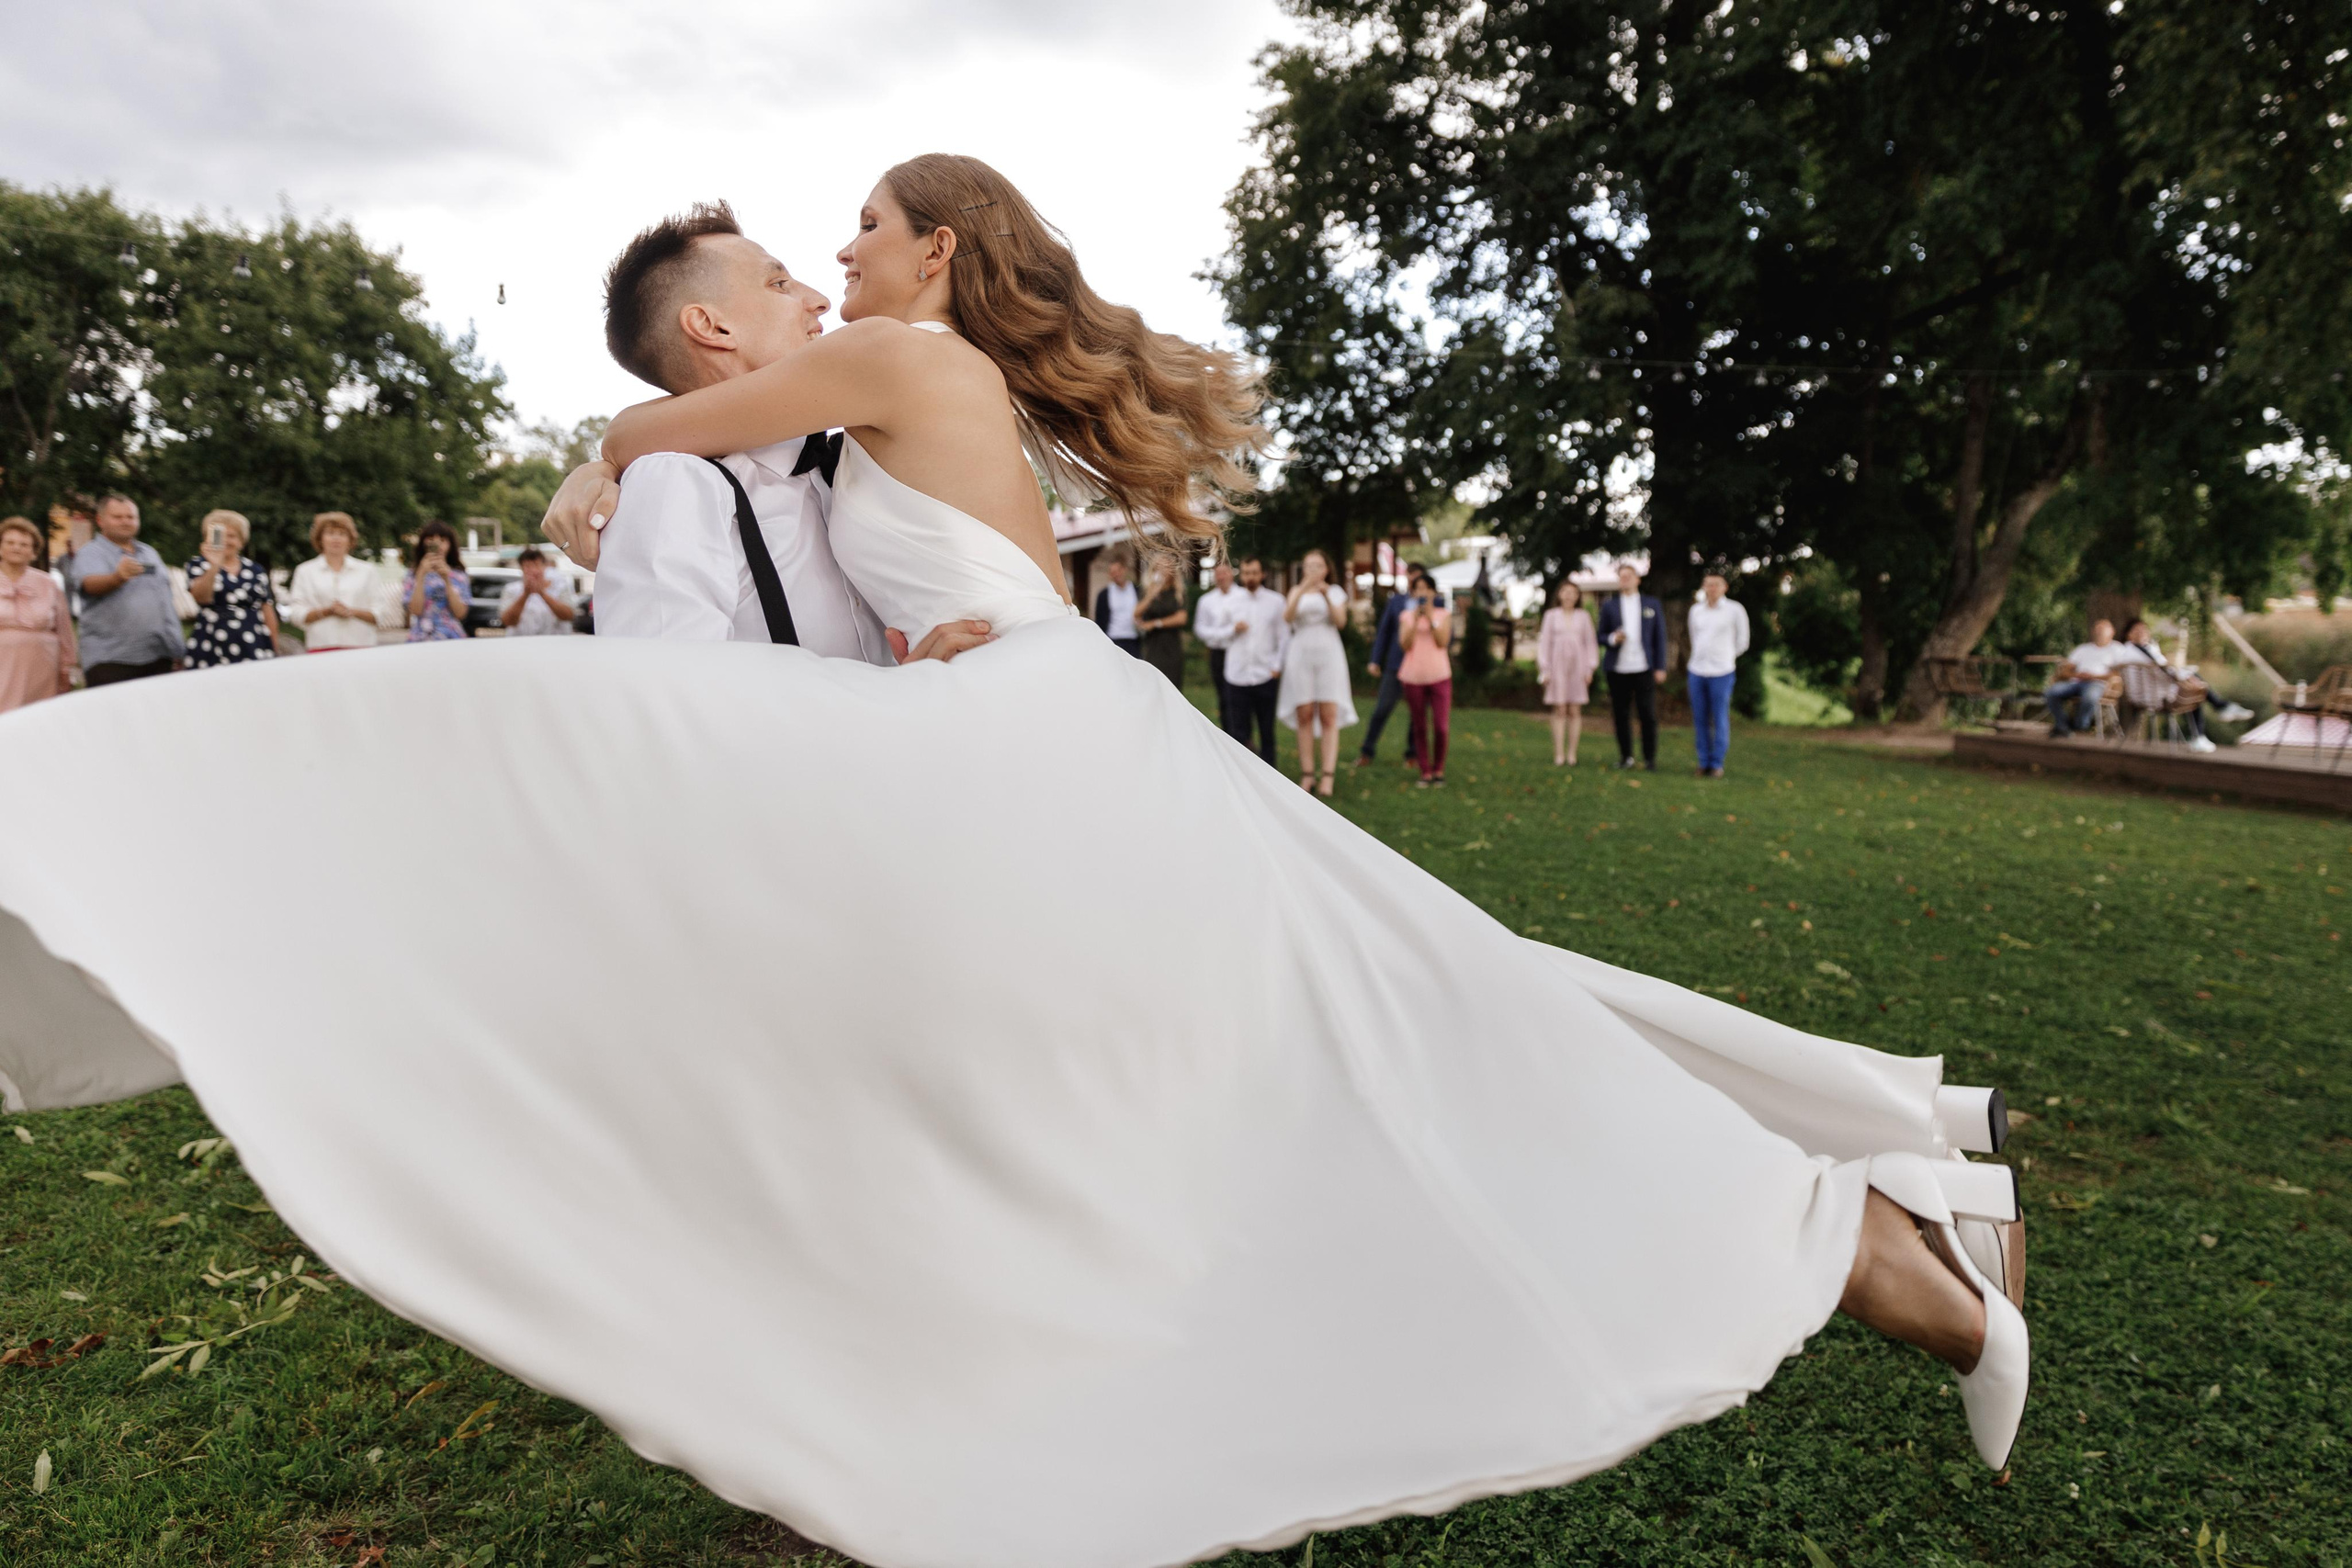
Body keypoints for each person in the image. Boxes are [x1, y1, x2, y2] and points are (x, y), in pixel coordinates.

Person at [0, 158, 2030, 1568]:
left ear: (928, 255)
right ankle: (1891, 1210)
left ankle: (1861, 1233)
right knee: (1431, 1010)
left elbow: (641, 459)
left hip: (1027, 743)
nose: (828, 255)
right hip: (1036, 745)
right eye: (796, 258)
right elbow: (690, 539)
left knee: (1412, 1033)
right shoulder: (857, 407)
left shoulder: (891, 371)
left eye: (857, 231)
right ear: (723, 326)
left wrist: (599, 458)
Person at [533, 202, 967, 666]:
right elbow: (670, 704)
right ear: (712, 326)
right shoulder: (671, 486)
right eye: (779, 284)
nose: (820, 299)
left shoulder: (865, 462)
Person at [63, 493, 183, 685]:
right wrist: (117, 578)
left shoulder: (149, 552)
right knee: (114, 716)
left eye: (131, 517)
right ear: (100, 520)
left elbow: (164, 600)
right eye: (118, 517)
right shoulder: (90, 553)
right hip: (111, 659)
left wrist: (176, 647)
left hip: (159, 655)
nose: (126, 521)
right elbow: (90, 585)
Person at [1272, 548, 1357, 795]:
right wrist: (1301, 589)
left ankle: (1327, 775)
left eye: (1317, 566)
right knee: (1305, 712)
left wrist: (1326, 595)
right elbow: (1287, 618)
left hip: (1329, 653)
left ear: (1326, 569)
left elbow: (1340, 622)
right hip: (1301, 653)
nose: (1313, 571)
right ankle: (1307, 773)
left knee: (1329, 714)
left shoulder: (1335, 592)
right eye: (1308, 566)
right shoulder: (1295, 591)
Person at [2116, 617, 2251, 752]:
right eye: (2137, 630)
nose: (2142, 633)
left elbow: (2163, 670)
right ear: (2129, 634)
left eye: (2144, 630)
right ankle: (2214, 716)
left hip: (2154, 692)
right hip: (2156, 697)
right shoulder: (2133, 652)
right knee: (2195, 688)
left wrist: (2183, 675)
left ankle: (2215, 716)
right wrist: (2184, 676)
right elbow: (2163, 671)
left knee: (2194, 685)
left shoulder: (2144, 649)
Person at [184, 510, 281, 668]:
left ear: (241, 541)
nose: (226, 541)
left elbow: (267, 609)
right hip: (211, 640)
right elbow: (201, 598)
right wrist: (214, 565)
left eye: (232, 536)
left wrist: (274, 646)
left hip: (252, 641)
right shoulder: (198, 564)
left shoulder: (255, 569)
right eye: (220, 535)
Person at [1355, 564, 1430, 770]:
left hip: (1421, 666)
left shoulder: (1434, 604)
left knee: (1418, 714)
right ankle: (1367, 751)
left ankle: (1412, 754)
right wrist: (1375, 660)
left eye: (1418, 578)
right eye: (1411, 577)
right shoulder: (1396, 602)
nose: (1414, 582)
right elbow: (1384, 632)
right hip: (1396, 665)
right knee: (1382, 708)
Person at [1595, 560, 1667, 770]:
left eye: (1629, 576)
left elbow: (1659, 637)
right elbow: (1600, 636)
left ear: (1638, 580)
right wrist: (1612, 639)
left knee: (1647, 713)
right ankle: (1626, 757)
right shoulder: (1609, 605)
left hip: (1644, 667)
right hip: (1617, 668)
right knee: (1620, 714)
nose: (1625, 580)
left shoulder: (1651, 604)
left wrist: (1660, 667)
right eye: (1621, 576)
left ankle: (1649, 758)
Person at [0, 515, 75, 713]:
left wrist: (67, 666)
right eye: (10, 542)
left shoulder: (47, 583)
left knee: (37, 717)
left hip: (41, 666)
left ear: (33, 552)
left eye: (24, 544)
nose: (17, 548)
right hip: (3, 665)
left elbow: (64, 628)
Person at [1220, 555, 1288, 764]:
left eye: (1255, 573)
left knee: (1267, 731)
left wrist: (1277, 666)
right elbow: (1215, 634)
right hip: (1237, 674)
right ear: (1242, 575)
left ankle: (1271, 775)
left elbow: (1284, 636)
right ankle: (1242, 775)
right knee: (1238, 732)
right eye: (1247, 573)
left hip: (1264, 674)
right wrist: (1232, 630)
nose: (1250, 577)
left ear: (1262, 575)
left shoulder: (1276, 602)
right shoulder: (1230, 601)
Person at [286, 512, 382, 651]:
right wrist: (327, 611)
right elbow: (296, 613)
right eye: (330, 533)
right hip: (321, 646)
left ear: (350, 540)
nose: (336, 538)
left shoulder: (367, 571)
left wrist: (351, 612)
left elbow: (379, 612)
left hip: (360, 646)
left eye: (342, 534)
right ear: (320, 539)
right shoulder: (305, 571)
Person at [1686, 572, 1749, 778]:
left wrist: (1727, 656)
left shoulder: (1735, 610)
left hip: (1722, 671)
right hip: (1697, 670)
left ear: (1724, 588)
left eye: (1716, 585)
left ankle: (1717, 763)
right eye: (1708, 585)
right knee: (1700, 718)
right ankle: (1703, 761)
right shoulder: (1696, 611)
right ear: (1703, 587)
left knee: (1720, 717)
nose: (1712, 588)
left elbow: (1742, 641)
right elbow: (1694, 637)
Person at [1397, 573, 1454, 785]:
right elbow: (1405, 644)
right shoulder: (1406, 616)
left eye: (1426, 588)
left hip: (1439, 675)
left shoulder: (1443, 614)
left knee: (1441, 726)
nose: (1422, 592)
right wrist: (1415, 619)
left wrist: (1429, 618)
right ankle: (1425, 771)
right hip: (1413, 676)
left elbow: (1442, 642)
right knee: (1419, 726)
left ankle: (1439, 768)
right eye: (1417, 589)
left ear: (1433, 592)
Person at [1535, 580, 1599, 767]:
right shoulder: (1551, 615)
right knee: (1559, 708)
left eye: (1573, 592)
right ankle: (1559, 753)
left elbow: (1590, 644)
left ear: (1578, 596)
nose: (1569, 595)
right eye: (1565, 591)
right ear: (1559, 594)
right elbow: (1544, 643)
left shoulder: (1584, 617)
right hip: (1557, 667)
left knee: (1574, 709)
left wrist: (1590, 668)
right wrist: (1545, 669)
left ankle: (1572, 753)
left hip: (1578, 667)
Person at [2041, 618, 2126, 738]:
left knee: (2090, 696)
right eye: (2097, 629)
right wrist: (2077, 675)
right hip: (2076, 682)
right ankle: (2063, 725)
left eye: (2103, 629)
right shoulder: (2083, 649)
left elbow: (2118, 672)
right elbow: (2065, 670)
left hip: (2100, 684)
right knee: (2051, 692)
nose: (2099, 631)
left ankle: (2080, 726)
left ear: (2112, 631)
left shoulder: (2117, 649)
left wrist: (2094, 676)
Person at [402, 521, 472, 642]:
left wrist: (447, 579)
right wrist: (421, 575)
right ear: (423, 543)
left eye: (443, 540)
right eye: (430, 539)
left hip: (450, 637)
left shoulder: (459, 576)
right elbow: (415, 610)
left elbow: (460, 613)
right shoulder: (413, 574)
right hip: (421, 636)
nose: (437, 544)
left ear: (450, 544)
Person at [1192, 558, 1243, 714]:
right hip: (1218, 653)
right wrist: (1226, 632)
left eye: (1224, 573)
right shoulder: (1206, 601)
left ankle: (1243, 735)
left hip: (1239, 651)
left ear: (1231, 574)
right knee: (1223, 695)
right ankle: (1226, 732)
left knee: (1240, 695)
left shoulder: (1243, 596)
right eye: (1218, 574)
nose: (1221, 577)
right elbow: (1200, 628)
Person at [1134, 556, 1187, 688]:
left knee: (1173, 684)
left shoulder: (1178, 592)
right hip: (1153, 646)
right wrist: (1152, 594)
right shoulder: (1148, 591)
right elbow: (1136, 613)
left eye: (1167, 567)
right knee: (1154, 684)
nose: (1164, 570)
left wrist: (1156, 623)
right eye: (1160, 567)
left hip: (1172, 645)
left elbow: (1181, 618)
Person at [498, 547, 578, 637]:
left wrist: (543, 594)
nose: (533, 570)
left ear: (544, 566)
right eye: (528, 566)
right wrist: (525, 595)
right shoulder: (511, 589)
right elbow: (508, 621)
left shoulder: (561, 587)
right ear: (522, 568)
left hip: (554, 644)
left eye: (536, 565)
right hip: (521, 644)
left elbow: (568, 616)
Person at [1091, 553, 1142, 657]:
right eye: (1113, 572)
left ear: (1125, 569)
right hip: (1113, 639)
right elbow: (1099, 619)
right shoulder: (1104, 595)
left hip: (1133, 640)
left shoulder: (1137, 591)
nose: (1116, 574)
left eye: (1118, 571)